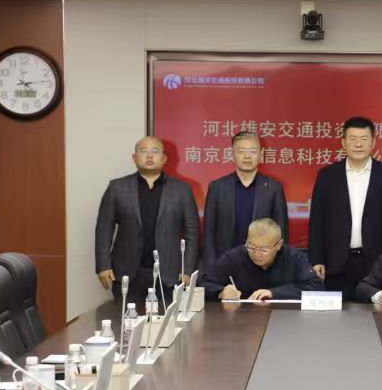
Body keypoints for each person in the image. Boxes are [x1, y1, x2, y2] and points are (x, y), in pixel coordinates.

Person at [308, 116, 382, 301]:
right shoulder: (327, 176)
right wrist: (317, 259)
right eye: (353, 139)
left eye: (364, 139)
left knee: (376, 313)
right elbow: (317, 220)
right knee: (337, 314)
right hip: (336, 263)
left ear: (373, 142)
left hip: (377, 264)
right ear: (343, 142)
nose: (358, 144)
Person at [95, 136, 200, 305]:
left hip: (170, 273)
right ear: (134, 158)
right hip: (127, 272)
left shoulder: (181, 190)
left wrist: (187, 269)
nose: (149, 156)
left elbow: (192, 233)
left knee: (167, 319)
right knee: (126, 318)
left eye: (155, 151)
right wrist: (103, 265)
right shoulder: (117, 188)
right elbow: (103, 229)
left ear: (164, 158)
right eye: (143, 151)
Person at [203, 131, 288, 270]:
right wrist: (211, 269)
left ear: (261, 155)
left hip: (263, 266)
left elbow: (281, 231)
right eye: (241, 151)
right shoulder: (217, 188)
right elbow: (209, 233)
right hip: (225, 264)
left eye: (253, 151)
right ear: (232, 155)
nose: (247, 156)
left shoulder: (273, 188)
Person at [200, 218, 323, 300]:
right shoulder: (234, 257)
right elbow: (203, 284)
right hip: (242, 321)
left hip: (285, 319)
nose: (256, 254)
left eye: (264, 249)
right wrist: (220, 292)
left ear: (279, 245)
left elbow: (315, 286)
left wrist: (274, 293)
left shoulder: (293, 257)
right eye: (251, 246)